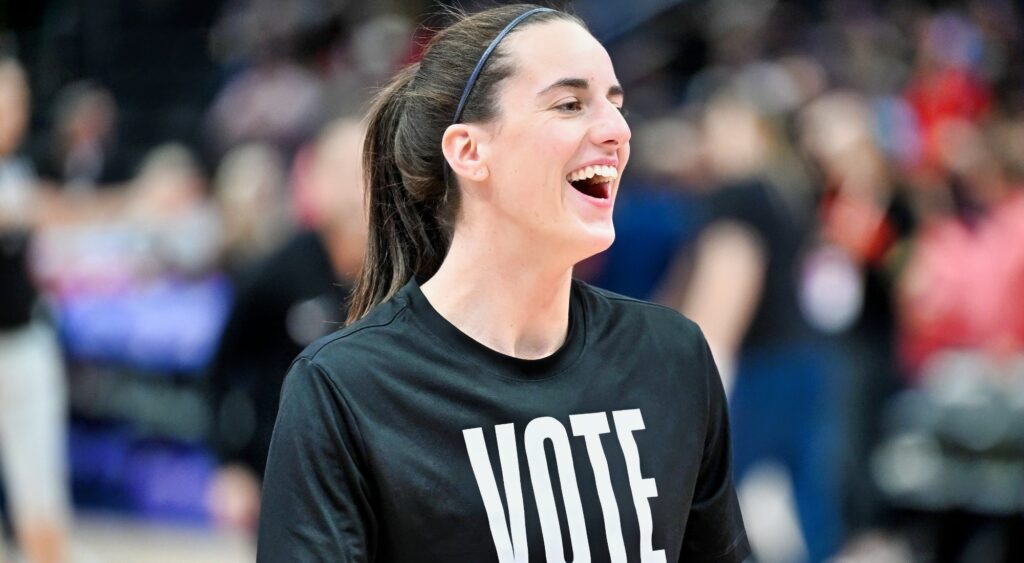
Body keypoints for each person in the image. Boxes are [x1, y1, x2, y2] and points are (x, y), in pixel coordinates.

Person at [257, 5, 749, 562]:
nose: (617, 130)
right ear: (469, 151)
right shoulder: (345, 389)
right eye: (570, 104)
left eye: (615, 103)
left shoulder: (672, 356)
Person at [0, 56, 71, 563]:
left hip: (24, 344)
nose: (14, 111)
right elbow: (45, 207)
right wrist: (136, 201)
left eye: (18, 99)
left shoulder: (18, 166)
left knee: (42, 512)